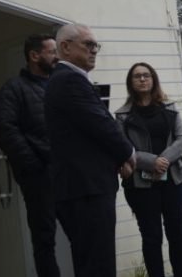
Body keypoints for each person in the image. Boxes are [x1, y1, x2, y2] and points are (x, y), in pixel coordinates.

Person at [44, 24, 136, 277]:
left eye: (96, 45)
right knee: (98, 264)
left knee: (91, 261)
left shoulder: (67, 80)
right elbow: (101, 124)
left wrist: (117, 157)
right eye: (88, 44)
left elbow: (89, 132)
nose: (94, 50)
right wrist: (128, 154)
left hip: (84, 187)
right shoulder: (69, 79)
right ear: (65, 47)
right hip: (85, 189)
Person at [115, 62, 182, 277]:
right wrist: (151, 162)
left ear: (153, 79)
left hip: (174, 179)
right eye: (137, 76)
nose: (142, 79)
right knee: (151, 236)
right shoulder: (122, 115)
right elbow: (122, 146)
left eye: (146, 75)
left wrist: (163, 160)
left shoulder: (169, 108)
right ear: (131, 83)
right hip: (141, 184)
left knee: (176, 232)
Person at [0, 34, 60, 277]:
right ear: (34, 56)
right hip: (40, 178)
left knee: (82, 233)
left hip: (68, 174)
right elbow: (6, 130)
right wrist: (33, 167)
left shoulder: (60, 86)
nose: (57, 57)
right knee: (45, 241)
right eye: (52, 52)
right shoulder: (13, 90)